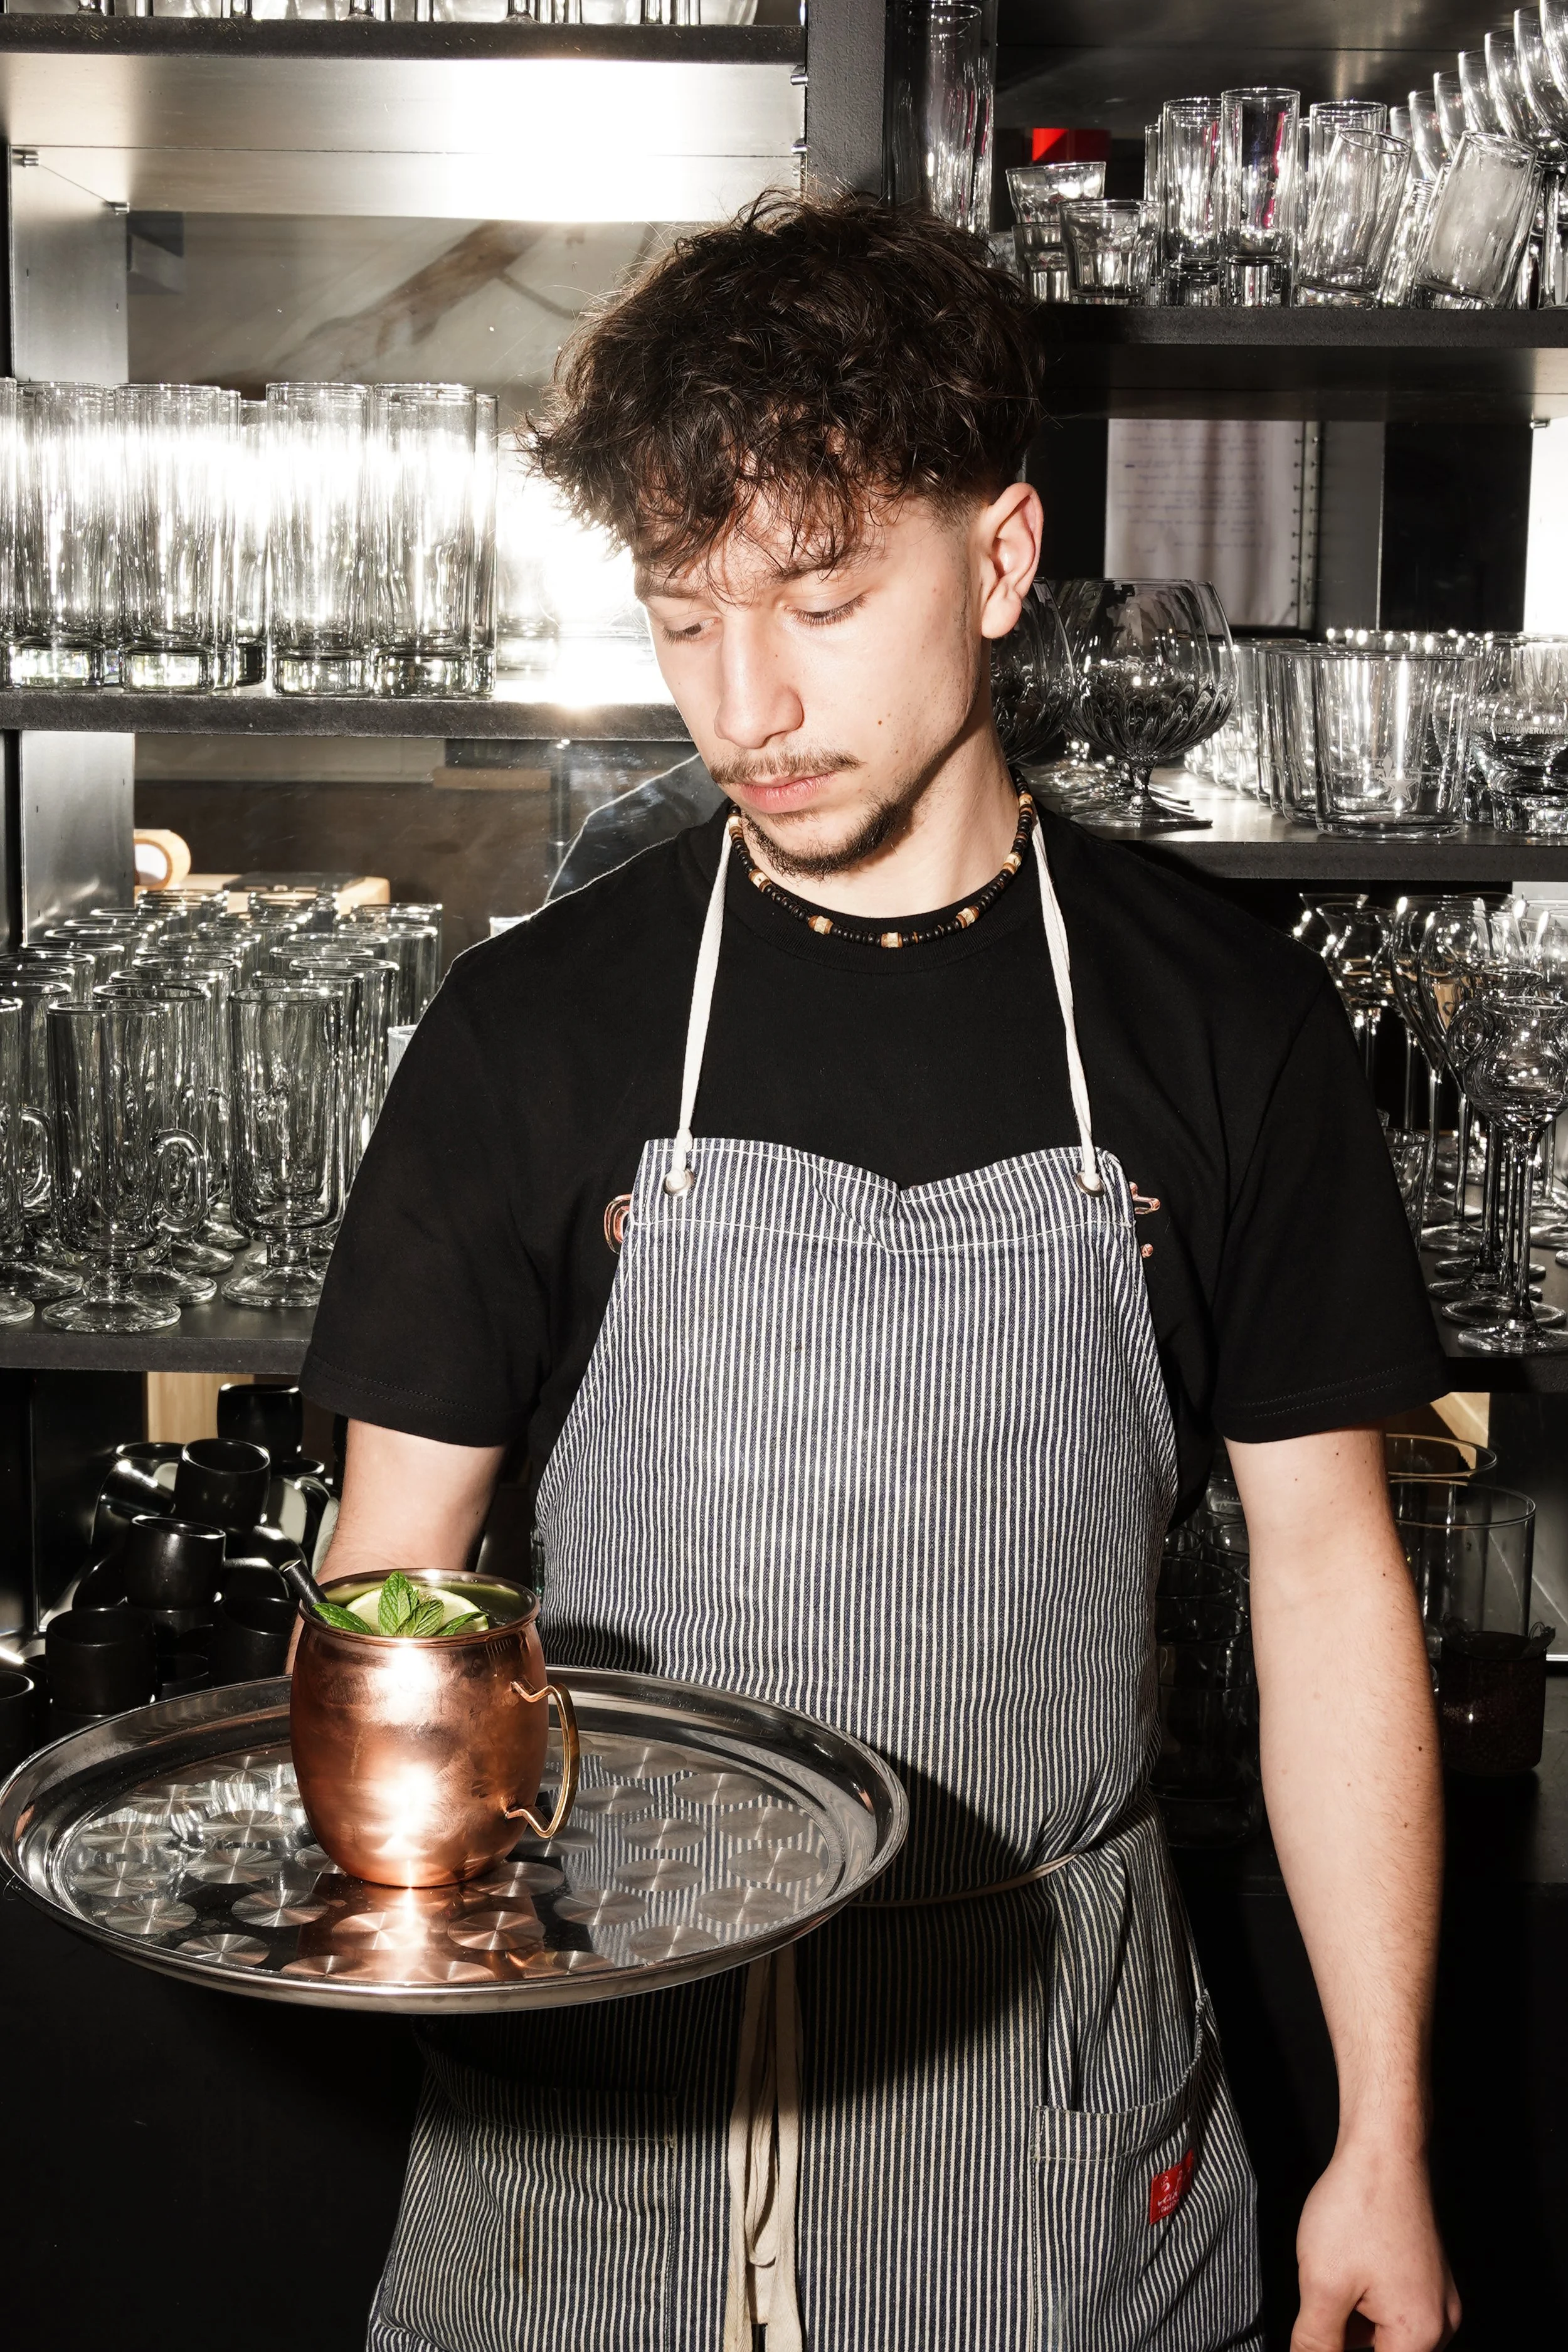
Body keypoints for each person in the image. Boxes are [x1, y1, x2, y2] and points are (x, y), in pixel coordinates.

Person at [304, 195, 1460, 2352]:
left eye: (821, 600)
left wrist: (1378, 2132)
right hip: (591, 2142)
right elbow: (393, 1579)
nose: (748, 702)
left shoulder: (1223, 1025)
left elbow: (1325, 1584)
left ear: (1000, 558)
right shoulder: (529, 1031)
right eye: (683, 619)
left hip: (1052, 2118)